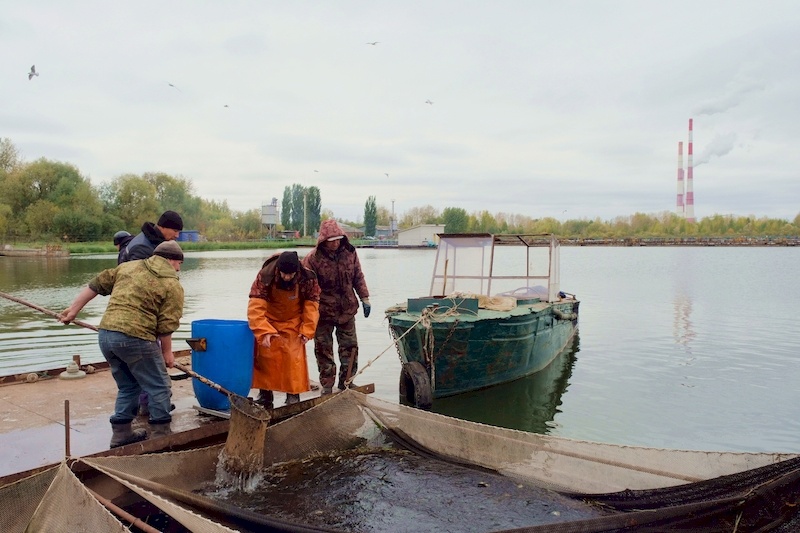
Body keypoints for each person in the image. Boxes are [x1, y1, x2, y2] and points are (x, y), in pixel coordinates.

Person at [59, 241, 185, 448]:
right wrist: (168, 352)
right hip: (136, 338)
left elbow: (96, 284)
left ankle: (121, 435)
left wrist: (73, 311)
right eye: (179, 263)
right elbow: (166, 325)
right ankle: (162, 437)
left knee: (128, 386)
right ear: (171, 260)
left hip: (106, 335)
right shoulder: (172, 284)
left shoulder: (128, 267)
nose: (179, 268)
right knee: (160, 387)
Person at [118, 210, 183, 415]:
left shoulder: (150, 243)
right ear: (162, 226)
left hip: (135, 314)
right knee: (149, 363)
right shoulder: (141, 248)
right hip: (138, 314)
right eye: (175, 230)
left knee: (141, 366)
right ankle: (154, 409)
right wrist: (167, 350)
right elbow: (136, 283)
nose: (177, 235)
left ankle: (149, 404)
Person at [301, 220, 370, 395]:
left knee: (350, 346)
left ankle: (347, 382)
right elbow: (305, 287)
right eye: (332, 240)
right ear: (324, 240)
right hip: (322, 312)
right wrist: (304, 311)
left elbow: (358, 277)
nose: (336, 243)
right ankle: (327, 384)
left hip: (347, 309)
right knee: (323, 349)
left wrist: (365, 298)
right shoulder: (312, 259)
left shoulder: (350, 253)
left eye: (338, 239)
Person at [247, 251, 321, 408]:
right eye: (283, 274)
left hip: (293, 321)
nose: (287, 277)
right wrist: (264, 331)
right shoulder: (265, 275)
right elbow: (256, 305)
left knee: (293, 360)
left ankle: (293, 395)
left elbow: (312, 305)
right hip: (269, 320)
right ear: (278, 270)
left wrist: (307, 330)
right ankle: (265, 395)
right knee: (264, 357)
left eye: (290, 274)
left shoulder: (308, 278)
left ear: (297, 272)